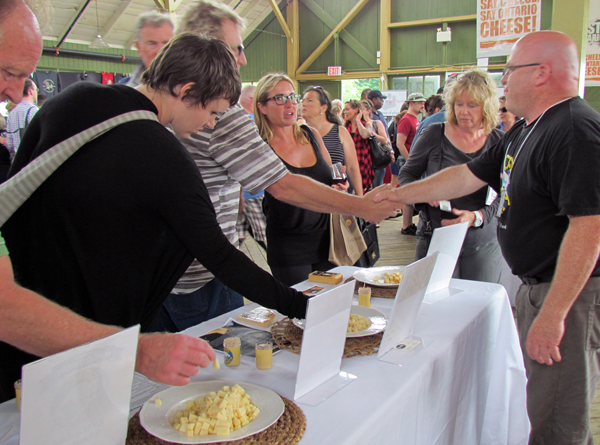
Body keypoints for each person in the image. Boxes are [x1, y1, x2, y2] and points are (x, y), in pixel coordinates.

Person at [0, 34, 311, 403]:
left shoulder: (71, 100)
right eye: (212, 112)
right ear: (185, 89)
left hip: (19, 316)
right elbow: (222, 258)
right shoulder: (165, 156)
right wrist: (300, 306)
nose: (211, 125)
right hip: (83, 337)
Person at [374, 30, 600, 444]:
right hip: (541, 287)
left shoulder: (574, 130)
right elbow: (466, 174)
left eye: (510, 70)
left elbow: (589, 227)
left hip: (569, 296)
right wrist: (398, 193)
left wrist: (553, 316)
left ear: (542, 73)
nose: (503, 81)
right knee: (540, 402)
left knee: (558, 418)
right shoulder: (528, 128)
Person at [153, 0, 397, 333]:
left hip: (166, 272)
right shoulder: (222, 116)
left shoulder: (147, 103)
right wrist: (362, 206)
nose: (243, 58)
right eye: (236, 48)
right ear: (203, 49)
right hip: (200, 276)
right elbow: (283, 184)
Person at [400, 69, 503, 283]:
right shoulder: (434, 134)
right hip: (435, 235)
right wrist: (422, 194)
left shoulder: (499, 142)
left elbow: (506, 193)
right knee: (432, 305)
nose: (464, 111)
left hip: (481, 241)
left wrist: (476, 217)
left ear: (487, 106)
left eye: (472, 105)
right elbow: (407, 175)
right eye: (458, 104)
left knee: (478, 307)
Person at [255, 74, 342, 285]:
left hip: (328, 240)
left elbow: (332, 174)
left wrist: (339, 186)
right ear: (262, 107)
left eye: (293, 97)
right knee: (301, 311)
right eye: (280, 98)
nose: (290, 104)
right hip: (289, 245)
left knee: (332, 304)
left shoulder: (311, 135)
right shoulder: (260, 147)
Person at [301, 86, 363, 195]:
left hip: (335, 195)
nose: (304, 104)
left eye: (309, 100)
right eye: (303, 100)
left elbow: (352, 168)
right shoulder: (298, 133)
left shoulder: (340, 131)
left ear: (323, 108)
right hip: (307, 196)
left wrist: (360, 197)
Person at [396, 92, 426, 235]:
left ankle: (408, 224)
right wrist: (410, 162)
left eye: (423, 102)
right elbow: (400, 143)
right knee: (408, 192)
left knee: (413, 192)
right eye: (419, 102)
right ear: (411, 103)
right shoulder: (406, 120)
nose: (422, 105)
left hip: (413, 160)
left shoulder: (415, 119)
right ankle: (406, 225)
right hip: (408, 160)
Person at [121, 11, 174, 87]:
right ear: (138, 47)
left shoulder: (193, 88)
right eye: (152, 43)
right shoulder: (124, 94)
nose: (160, 50)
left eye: (166, 43)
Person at [344, 99, 374, 192]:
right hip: (348, 165)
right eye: (344, 110)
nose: (345, 112)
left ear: (356, 110)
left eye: (347, 109)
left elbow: (365, 134)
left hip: (363, 164)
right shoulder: (344, 127)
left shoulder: (366, 124)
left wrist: (357, 121)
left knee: (361, 192)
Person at [5, 78, 38, 156]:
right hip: (32, 158)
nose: (37, 92)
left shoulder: (12, 113)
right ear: (30, 91)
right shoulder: (34, 111)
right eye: (36, 89)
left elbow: (10, 143)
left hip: (17, 159)